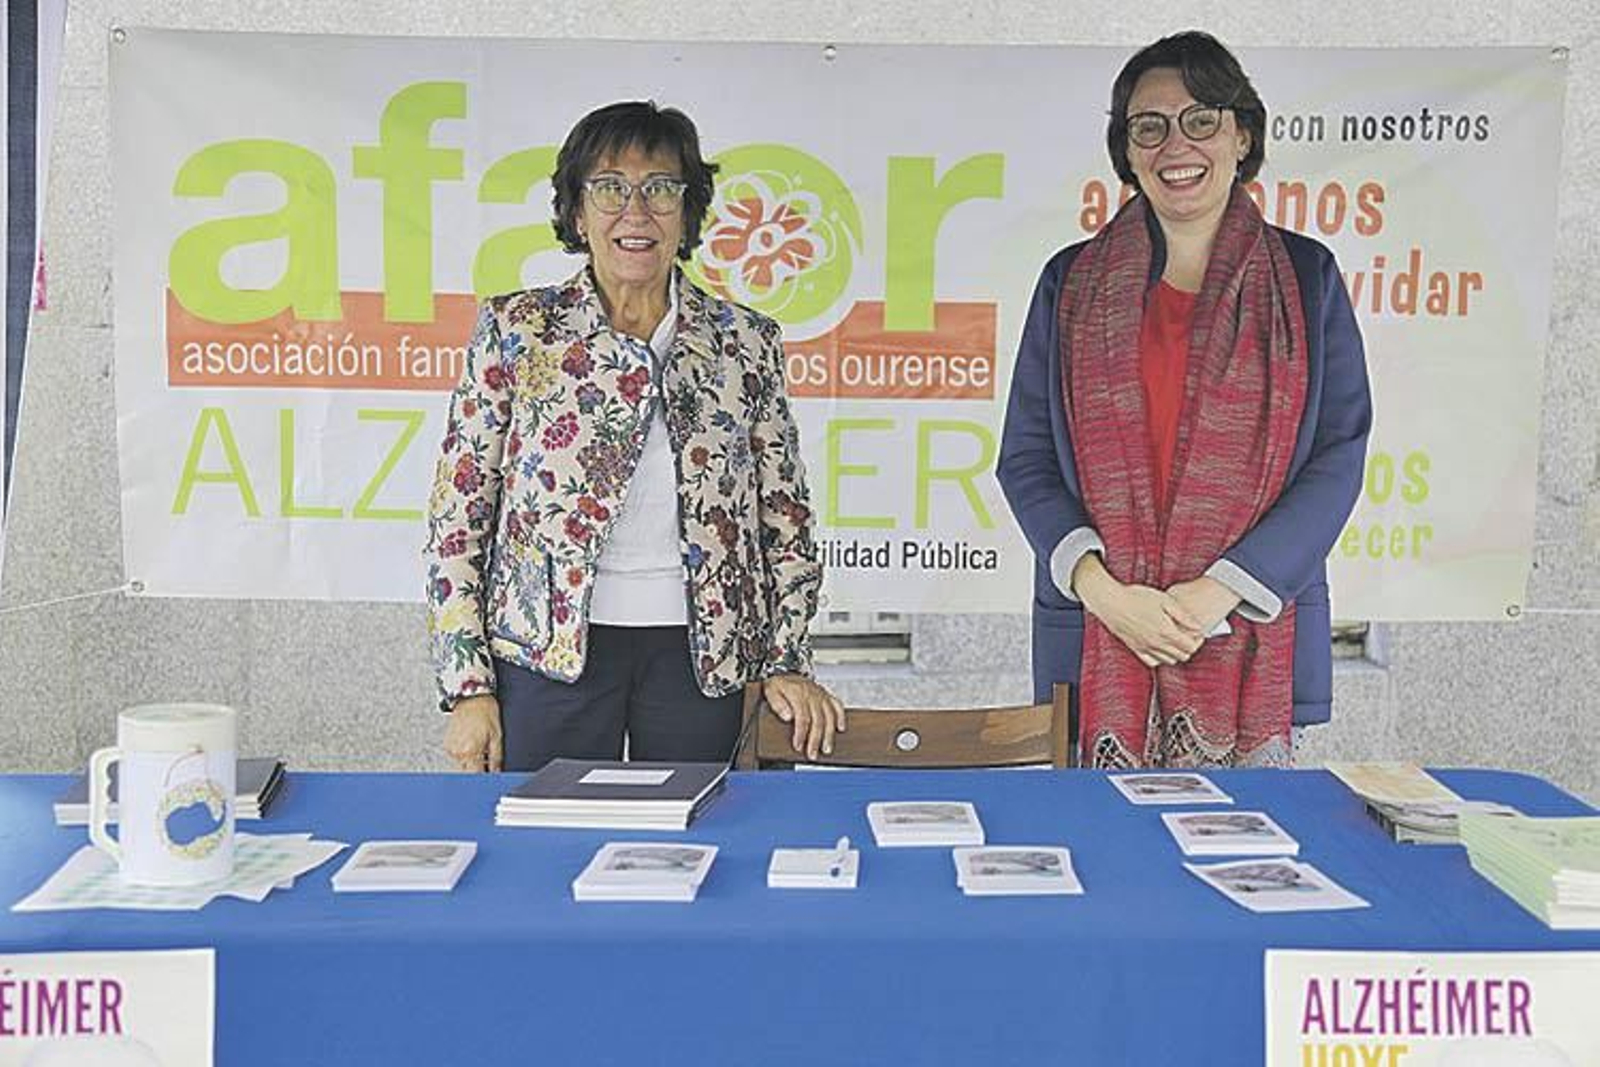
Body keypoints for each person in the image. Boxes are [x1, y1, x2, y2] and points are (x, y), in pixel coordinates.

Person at [423, 100, 844, 772]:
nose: (636, 211)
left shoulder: (744, 341)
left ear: (688, 213)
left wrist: (786, 658)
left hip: (703, 658)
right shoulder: (518, 330)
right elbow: (458, 520)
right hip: (547, 654)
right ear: (577, 212)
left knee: (694, 849)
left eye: (661, 189)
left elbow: (784, 520)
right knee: (549, 849)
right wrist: (468, 685)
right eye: (611, 188)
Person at [997, 32, 1371, 769]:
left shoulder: (1306, 277)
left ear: (1242, 136)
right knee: (1104, 869)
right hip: (1101, 631)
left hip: (1245, 634)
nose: (1177, 144)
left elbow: (1338, 455)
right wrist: (1106, 593)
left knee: (1243, 870)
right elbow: (1027, 458)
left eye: (1202, 119)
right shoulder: (1070, 283)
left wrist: (1213, 596)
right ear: (1127, 151)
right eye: (1150, 126)